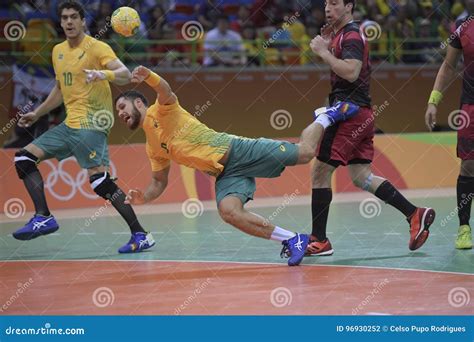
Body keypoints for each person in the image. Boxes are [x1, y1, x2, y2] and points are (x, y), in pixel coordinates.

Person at [114, 66, 360, 266]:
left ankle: (326, 116)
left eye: (122, 107)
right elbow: (159, 181)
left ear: (138, 104)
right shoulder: (152, 146)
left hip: (239, 150)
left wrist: (149, 76)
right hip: (224, 173)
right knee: (228, 211)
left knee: (306, 153)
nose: (120, 114)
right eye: (117, 113)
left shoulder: (163, 110)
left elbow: (165, 90)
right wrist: (143, 198)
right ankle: (293, 239)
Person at [12, 0, 155, 254]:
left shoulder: (97, 47)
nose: (68, 22)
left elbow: (124, 74)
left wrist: (104, 75)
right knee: (23, 158)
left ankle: (141, 234)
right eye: (64, 17)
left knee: (100, 183)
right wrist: (37, 114)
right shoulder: (57, 51)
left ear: (82, 21)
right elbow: (59, 90)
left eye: (73, 17)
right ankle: (43, 216)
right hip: (69, 124)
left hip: (93, 124)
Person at [307, 0, 436, 256]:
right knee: (361, 176)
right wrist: (329, 43)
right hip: (362, 114)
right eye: (325, 4)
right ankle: (414, 213)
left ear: (349, 6)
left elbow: (352, 72)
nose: (327, 8)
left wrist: (323, 51)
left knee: (320, 170)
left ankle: (319, 240)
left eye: (334, 3)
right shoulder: (344, 34)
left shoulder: (352, 35)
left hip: (349, 113)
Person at [425, 5, 474, 250]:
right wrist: (434, 100)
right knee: (468, 165)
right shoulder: (463, 27)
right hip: (470, 107)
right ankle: (464, 227)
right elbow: (448, 66)